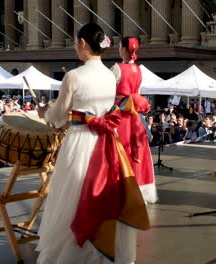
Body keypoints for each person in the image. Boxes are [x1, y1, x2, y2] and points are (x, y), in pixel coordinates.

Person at [36, 23, 149, 263]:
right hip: (108, 141)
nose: (76, 47)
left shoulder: (74, 76)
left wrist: (43, 113)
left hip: (79, 141)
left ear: (83, 43)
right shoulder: (110, 75)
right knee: (101, 196)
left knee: (73, 197)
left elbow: (57, 117)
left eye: (76, 42)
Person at [111, 36, 158, 204]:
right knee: (136, 151)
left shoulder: (117, 68)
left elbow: (108, 92)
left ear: (124, 49)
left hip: (120, 116)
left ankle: (120, 191)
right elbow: (135, 92)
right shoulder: (138, 70)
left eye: (119, 46)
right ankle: (139, 189)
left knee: (119, 151)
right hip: (135, 117)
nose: (118, 49)